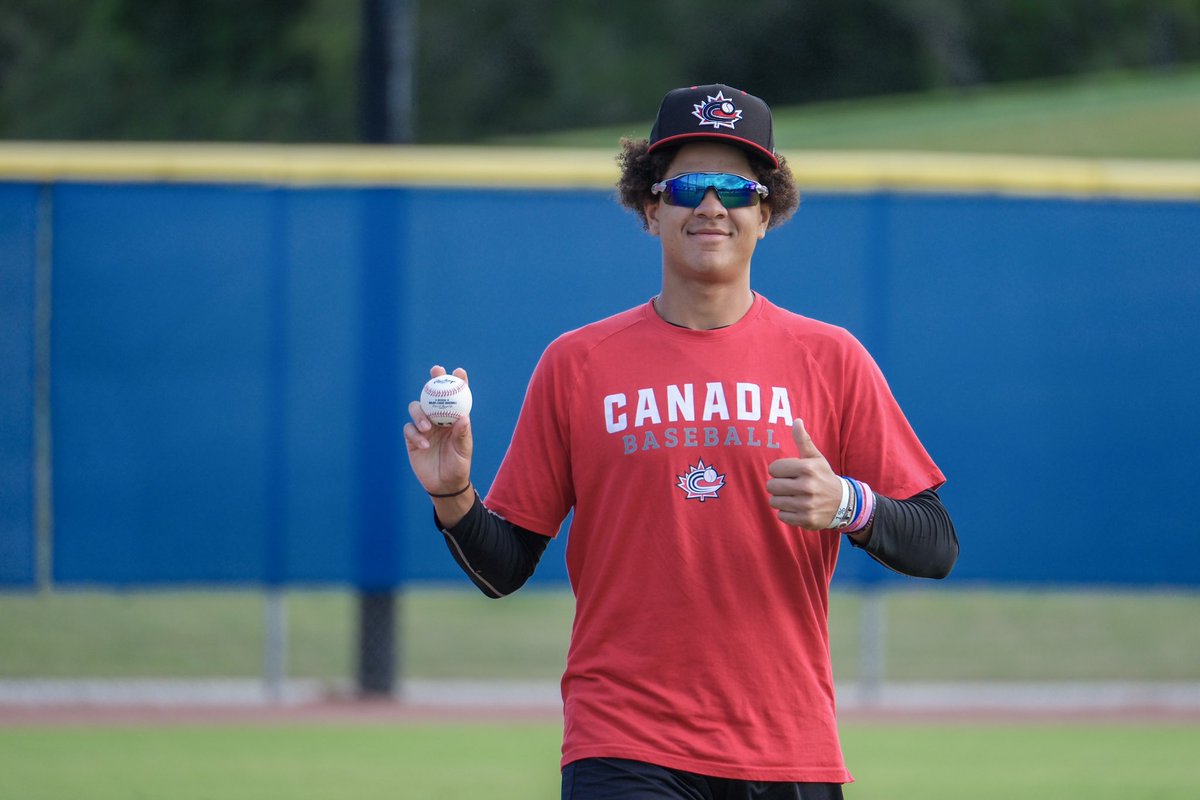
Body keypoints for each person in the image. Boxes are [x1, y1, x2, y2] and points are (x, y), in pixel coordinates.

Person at [404, 84, 958, 800]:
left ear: (766, 210)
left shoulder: (831, 358)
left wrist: (849, 504)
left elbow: (936, 543)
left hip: (784, 746)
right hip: (624, 743)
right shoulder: (578, 363)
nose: (710, 206)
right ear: (649, 207)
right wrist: (453, 493)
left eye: (734, 187)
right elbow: (505, 564)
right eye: (688, 185)